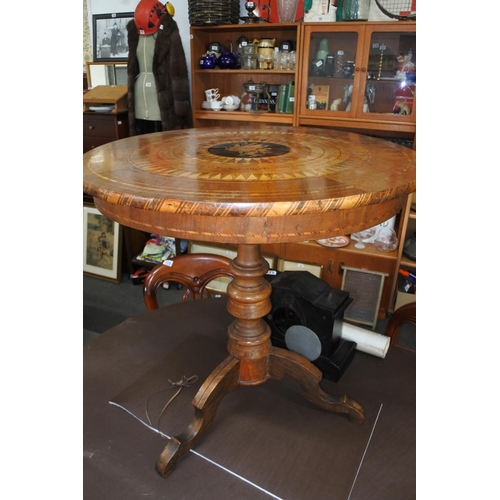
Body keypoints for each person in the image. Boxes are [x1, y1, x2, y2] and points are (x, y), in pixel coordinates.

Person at [126, 0, 192, 135]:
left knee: (163, 147)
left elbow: (178, 71)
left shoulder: (168, 31)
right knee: (140, 148)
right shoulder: (134, 33)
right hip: (138, 95)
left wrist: (181, 108)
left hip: (161, 98)